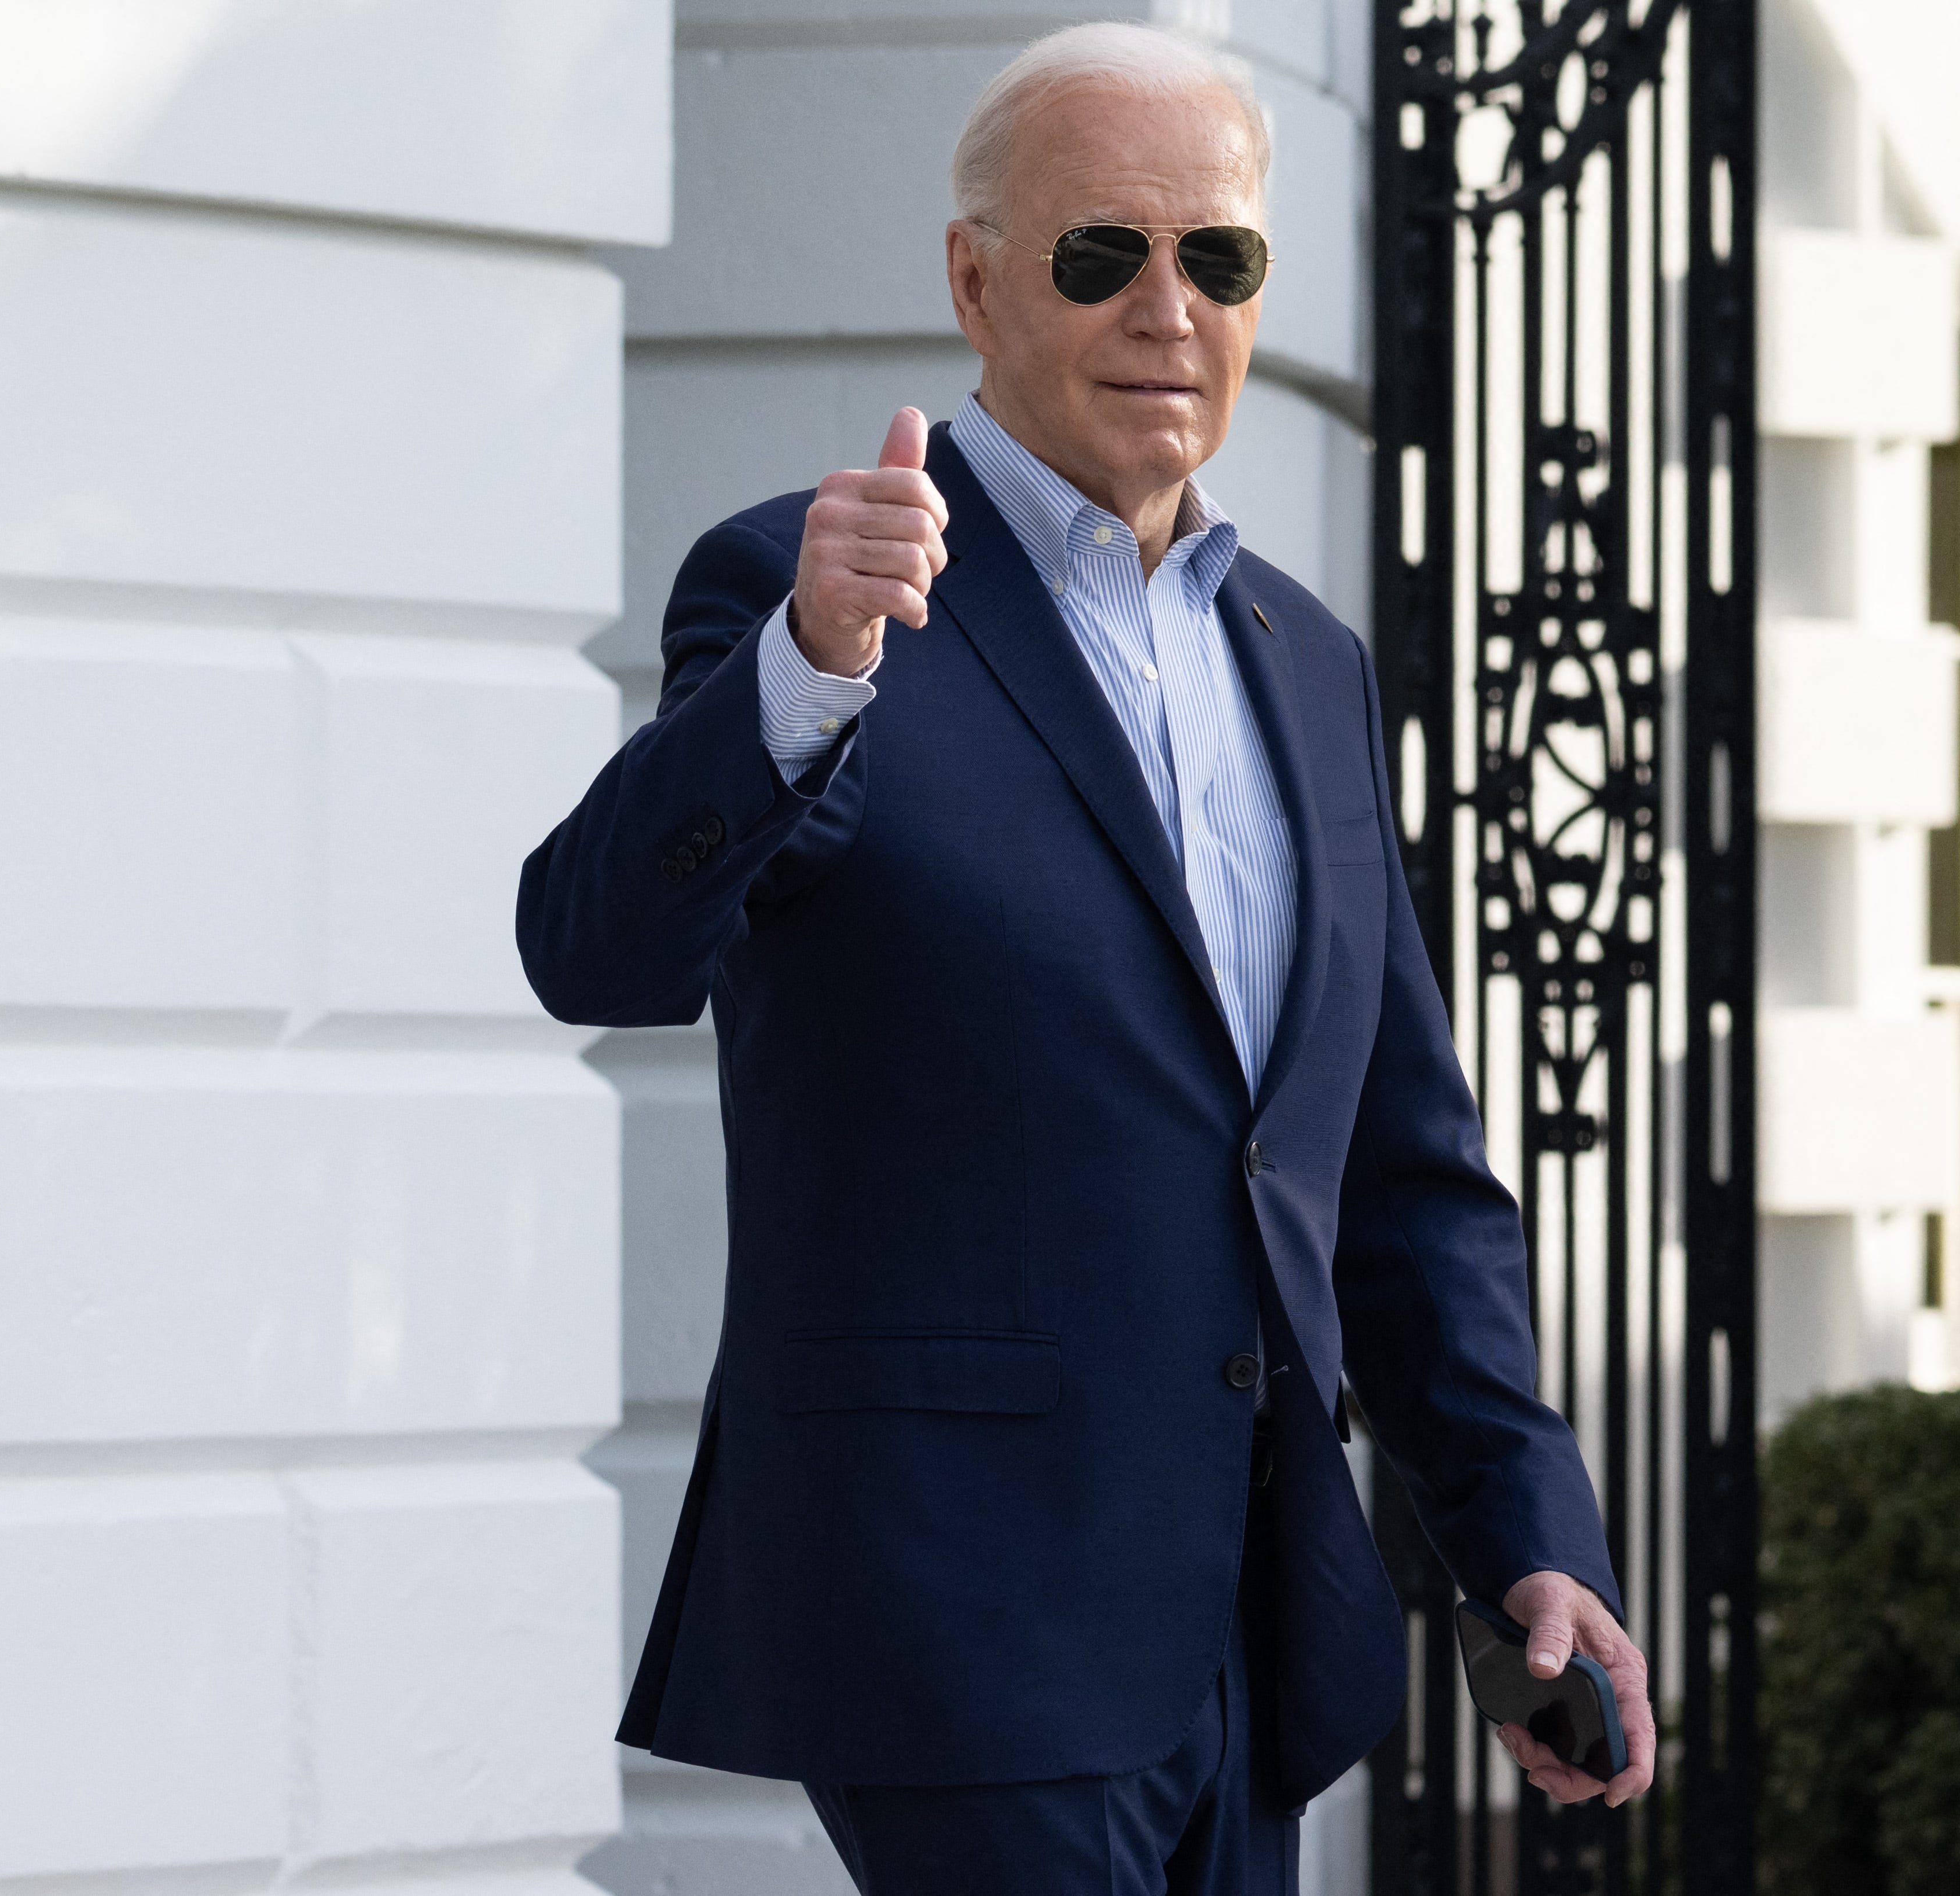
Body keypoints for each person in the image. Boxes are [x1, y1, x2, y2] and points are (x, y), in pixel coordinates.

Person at [516, 21, 1653, 1894]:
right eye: (1101, 251)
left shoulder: (1307, 659)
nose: (1166, 308)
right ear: (976, 281)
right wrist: (808, 668)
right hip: (958, 1607)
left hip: (1251, 1617)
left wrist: (1527, 1530)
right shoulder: (814, 591)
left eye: (1219, 257)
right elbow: (595, 944)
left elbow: (1394, 1171)